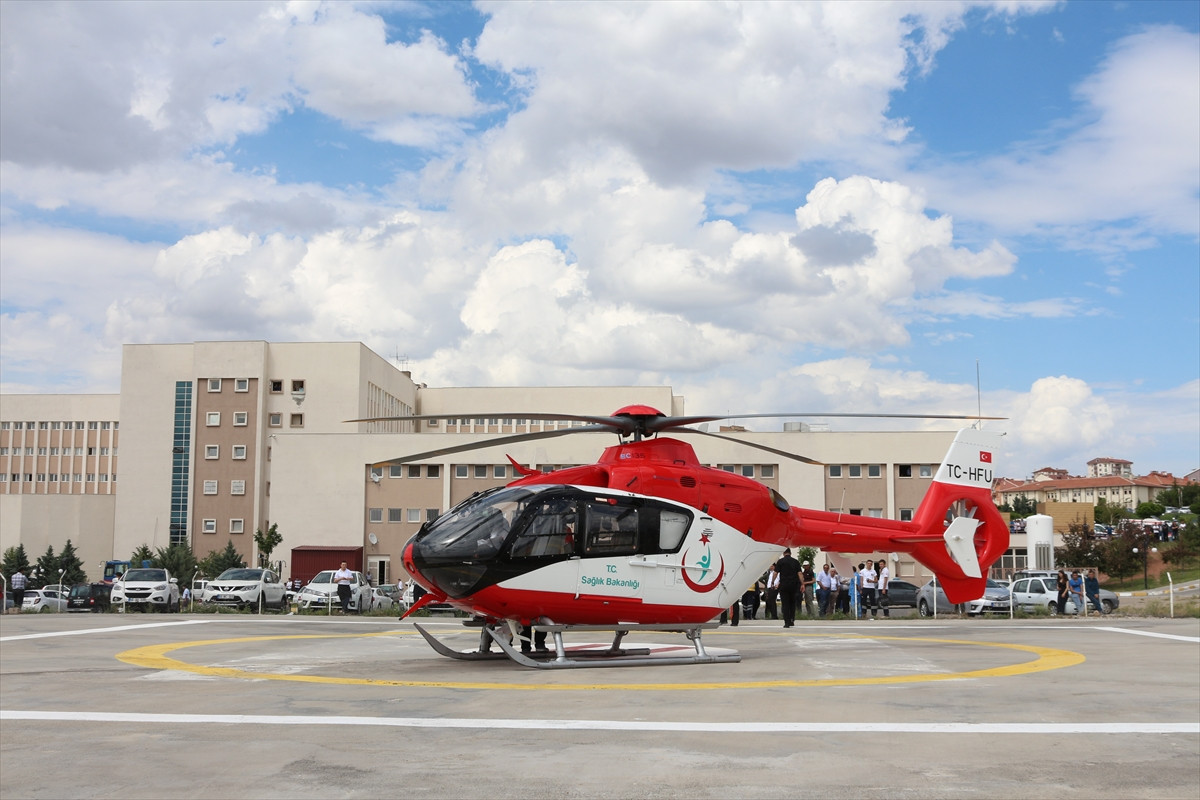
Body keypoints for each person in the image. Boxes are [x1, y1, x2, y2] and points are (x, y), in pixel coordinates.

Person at [775, 549, 802, 627]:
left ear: (783, 553)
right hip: (793, 585)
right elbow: (800, 573)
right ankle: (792, 619)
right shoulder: (796, 562)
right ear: (790, 553)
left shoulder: (780, 561)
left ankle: (787, 622)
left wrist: (773, 582)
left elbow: (775, 573)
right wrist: (802, 584)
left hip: (784, 585)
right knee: (792, 603)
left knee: (785, 604)